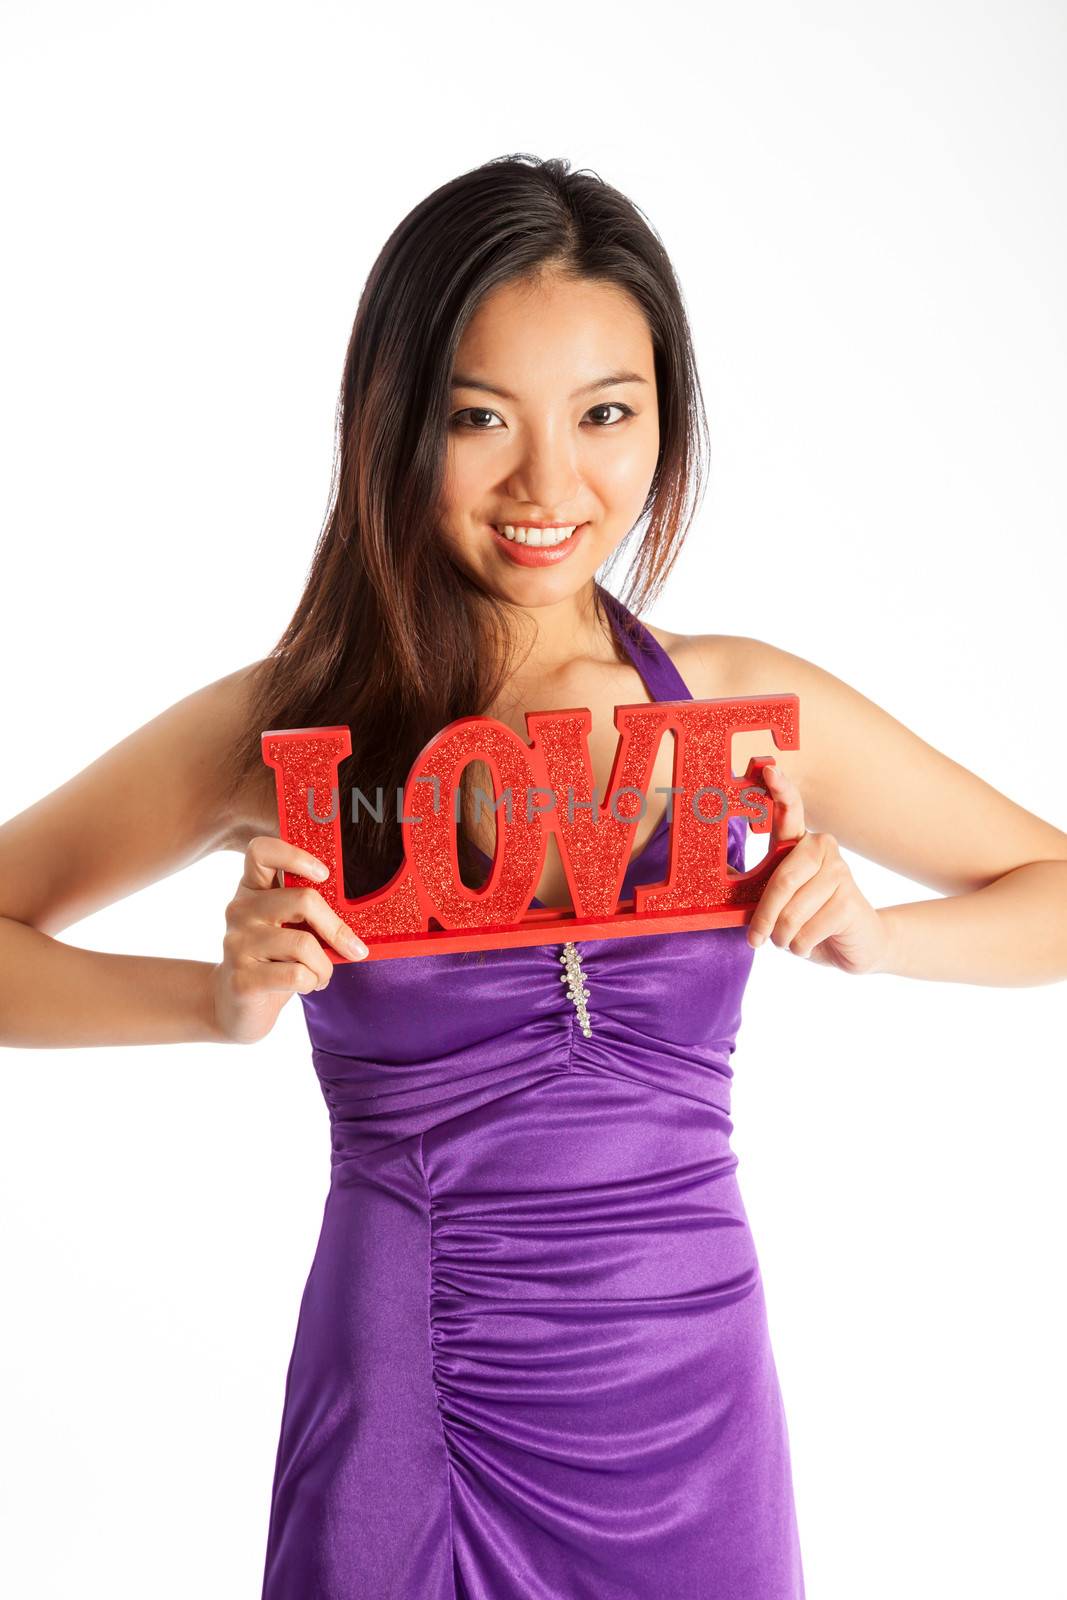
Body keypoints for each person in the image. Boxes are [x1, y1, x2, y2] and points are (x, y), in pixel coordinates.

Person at [2, 154, 1065, 1600]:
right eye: (479, 419)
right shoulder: (292, 731)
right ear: (393, 426)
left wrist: (884, 936)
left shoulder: (733, 708)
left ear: (664, 423)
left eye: (606, 416)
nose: (549, 487)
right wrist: (222, 999)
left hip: (693, 1396)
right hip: (410, 1393)